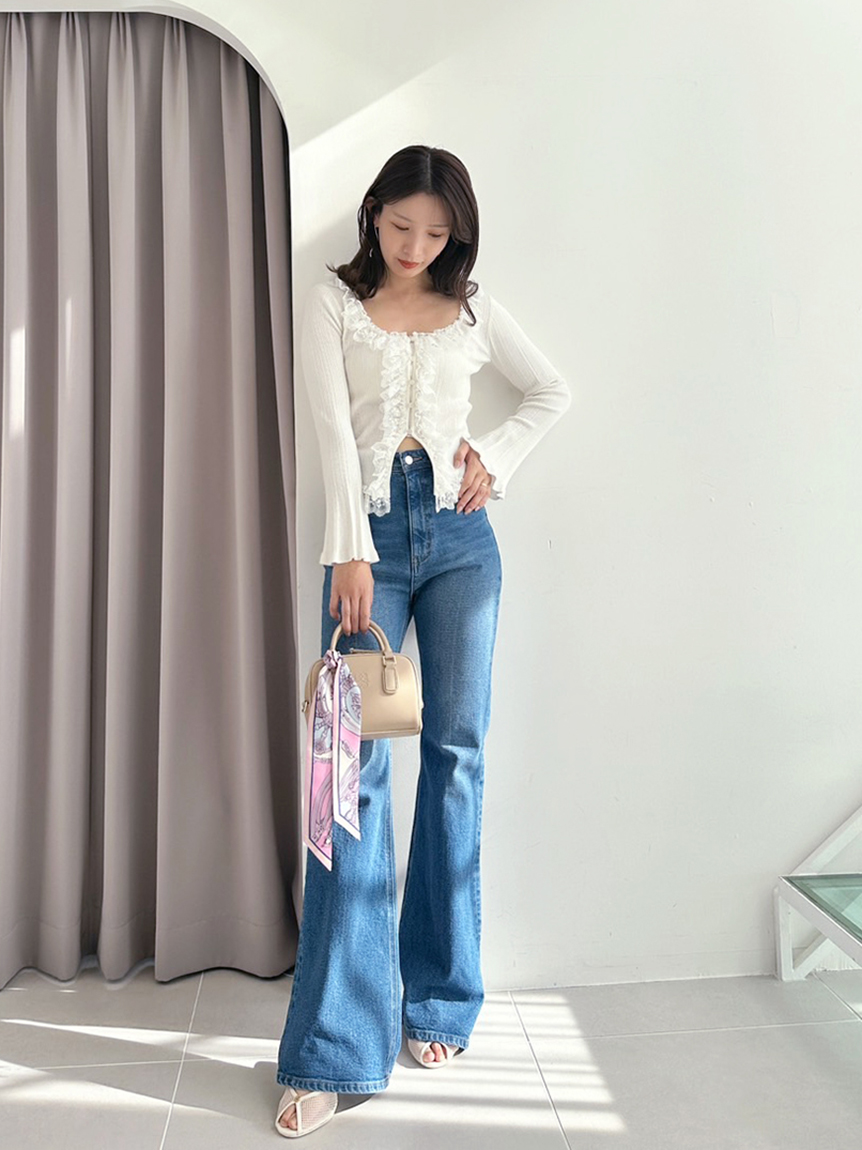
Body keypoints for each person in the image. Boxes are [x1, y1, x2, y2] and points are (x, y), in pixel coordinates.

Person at [275, 144, 572, 1137]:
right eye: (402, 225)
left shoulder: (473, 310)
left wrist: (499, 458)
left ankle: (439, 1002)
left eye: (437, 233)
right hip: (368, 544)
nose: (416, 246)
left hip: (459, 543)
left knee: (454, 758)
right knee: (345, 775)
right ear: (373, 214)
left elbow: (550, 392)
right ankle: (333, 1049)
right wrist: (348, 552)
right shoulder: (332, 302)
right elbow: (329, 430)